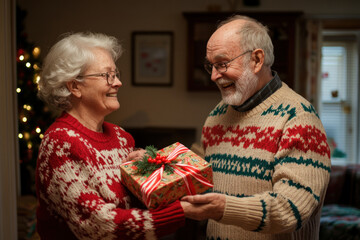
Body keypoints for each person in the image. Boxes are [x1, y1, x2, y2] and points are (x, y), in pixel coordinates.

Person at [181, 15, 331, 240]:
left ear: (257, 59)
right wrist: (155, 164)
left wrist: (224, 209)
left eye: (222, 64)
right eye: (210, 66)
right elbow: (198, 168)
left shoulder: (299, 118)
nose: (213, 76)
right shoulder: (218, 115)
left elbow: (290, 210)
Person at [36, 32, 186, 240]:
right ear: (75, 86)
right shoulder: (59, 143)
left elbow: (142, 206)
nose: (118, 83)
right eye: (107, 75)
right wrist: (181, 212)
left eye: (116, 74)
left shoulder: (122, 137)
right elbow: (98, 225)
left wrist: (150, 173)